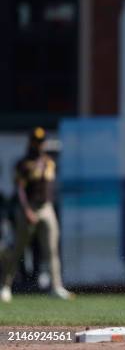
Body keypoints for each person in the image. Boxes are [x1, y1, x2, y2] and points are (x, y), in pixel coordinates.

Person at [0, 127, 74, 302]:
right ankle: (5, 286)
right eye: (37, 141)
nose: (40, 145)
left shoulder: (49, 162)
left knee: (52, 249)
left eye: (42, 142)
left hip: (46, 208)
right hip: (29, 208)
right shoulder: (24, 163)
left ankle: (56, 286)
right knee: (19, 248)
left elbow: (50, 187)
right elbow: (20, 189)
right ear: (31, 142)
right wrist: (26, 210)